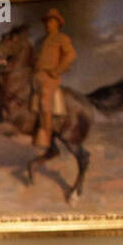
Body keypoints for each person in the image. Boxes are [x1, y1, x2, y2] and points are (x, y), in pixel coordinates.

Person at [33, 8, 76, 149]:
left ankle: (46, 136)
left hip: (50, 77)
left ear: (58, 23)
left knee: (45, 102)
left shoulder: (61, 38)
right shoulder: (39, 41)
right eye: (46, 21)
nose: (47, 24)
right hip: (36, 75)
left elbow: (70, 55)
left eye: (51, 21)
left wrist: (58, 70)